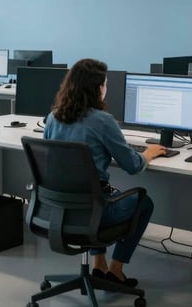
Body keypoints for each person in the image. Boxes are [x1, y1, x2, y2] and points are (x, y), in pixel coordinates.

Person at [43, 58, 166, 287]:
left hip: (58, 209)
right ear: (97, 88)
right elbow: (132, 166)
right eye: (105, 84)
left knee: (97, 193)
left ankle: (99, 263)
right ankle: (116, 269)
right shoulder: (103, 121)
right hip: (93, 212)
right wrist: (148, 154)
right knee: (143, 201)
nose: (106, 88)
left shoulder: (53, 116)